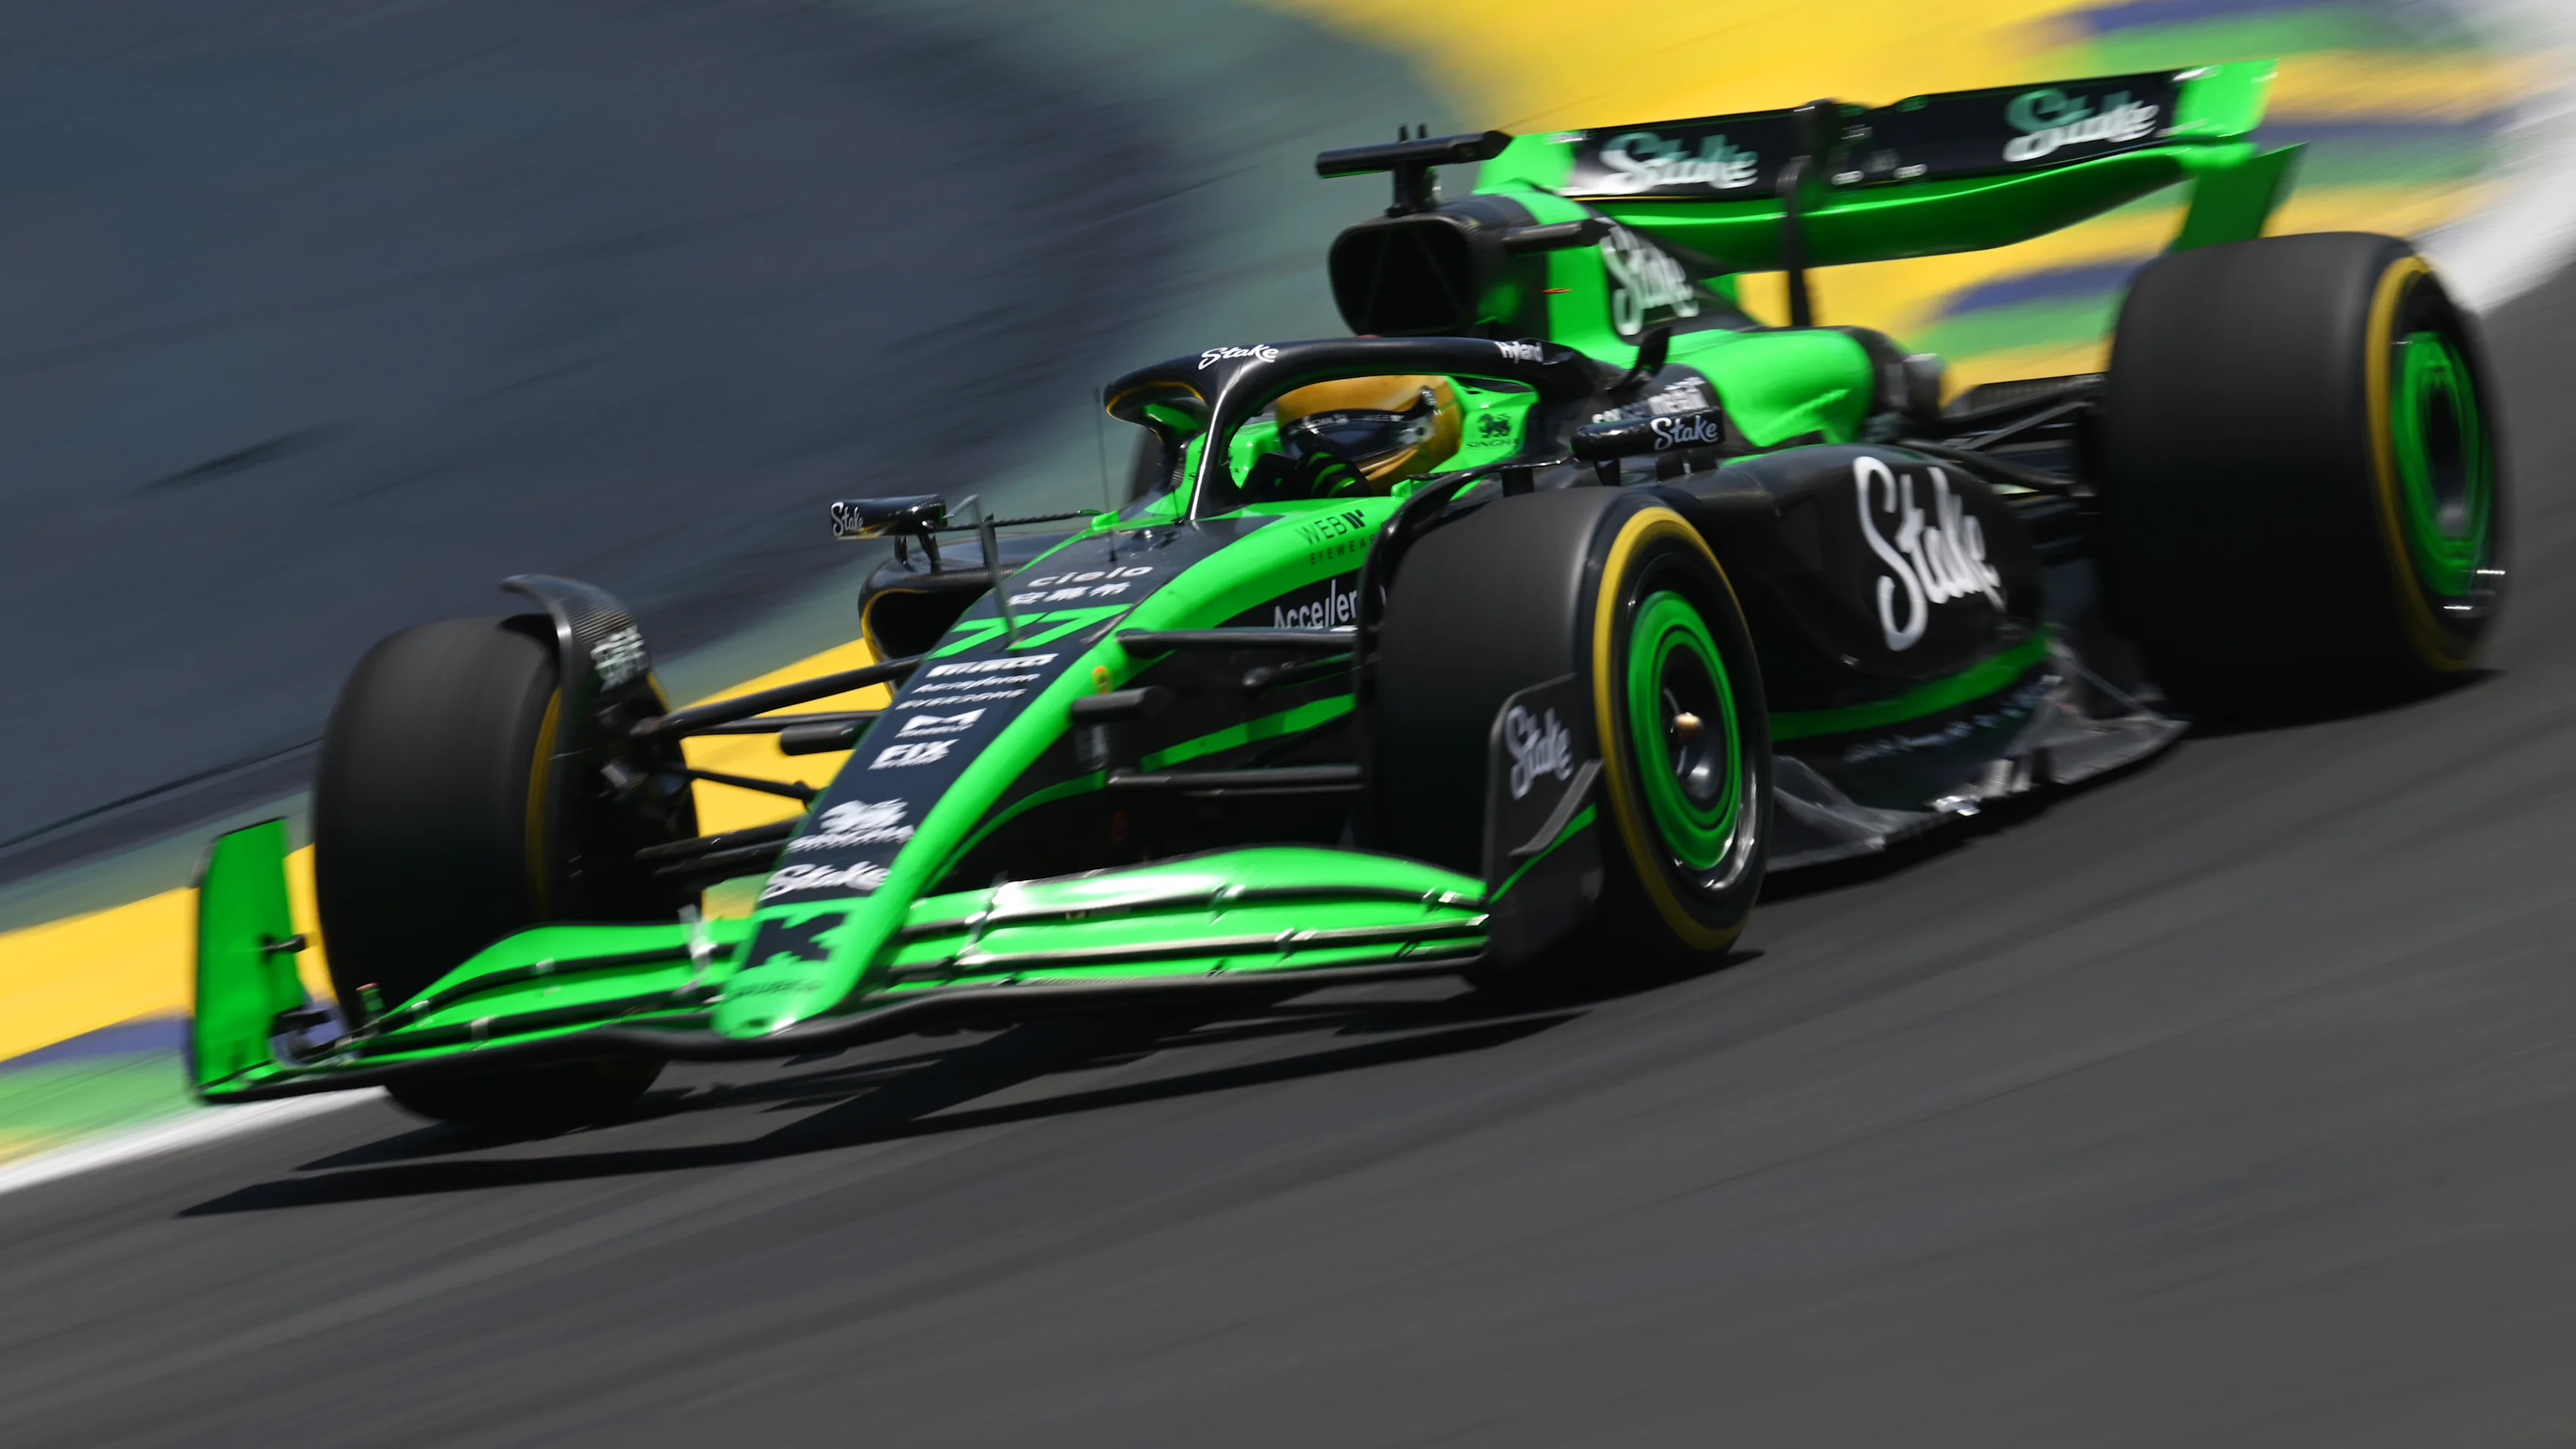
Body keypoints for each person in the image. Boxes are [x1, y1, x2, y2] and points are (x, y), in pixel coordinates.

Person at [1242, 374, 1463, 502]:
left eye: (1352, 438)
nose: (1328, 461)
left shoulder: (1489, 486)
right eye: (1306, 446)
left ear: (1425, 424)